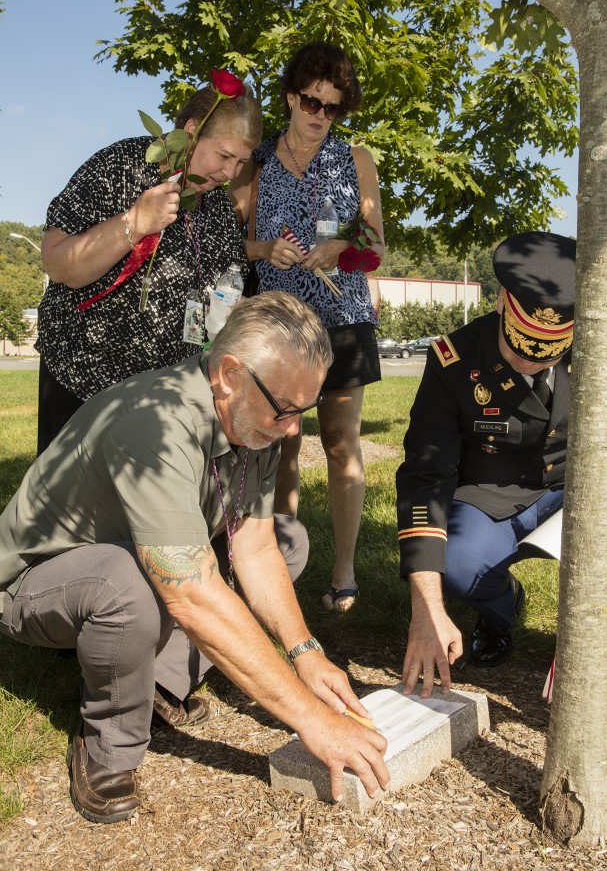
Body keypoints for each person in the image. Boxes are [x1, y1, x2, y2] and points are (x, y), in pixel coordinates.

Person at [0, 293, 390, 824]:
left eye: (305, 410)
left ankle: (157, 682)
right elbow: (190, 593)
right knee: (128, 587)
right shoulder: (154, 423)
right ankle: (108, 746)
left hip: (141, 560)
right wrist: (311, 719)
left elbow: (254, 546)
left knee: (290, 539)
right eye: (286, 410)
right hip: (38, 581)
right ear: (229, 373)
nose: (295, 429)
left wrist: (306, 653)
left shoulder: (256, 415)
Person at [396, 232, 607, 693]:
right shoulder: (454, 358)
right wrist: (425, 609)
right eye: (517, 348)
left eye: (544, 355)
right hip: (493, 495)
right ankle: (501, 606)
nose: (525, 365)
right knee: (460, 566)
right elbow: (425, 476)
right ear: (505, 307)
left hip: (578, 487)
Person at [229, 42, 385, 612]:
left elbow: (376, 246)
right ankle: (280, 563)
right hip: (278, 327)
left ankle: (343, 570)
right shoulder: (256, 162)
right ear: (292, 98)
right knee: (284, 443)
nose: (322, 115)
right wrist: (265, 248)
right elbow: (229, 243)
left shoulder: (356, 159)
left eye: (334, 107)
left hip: (342, 319)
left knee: (342, 441)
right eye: (313, 102)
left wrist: (341, 245)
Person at [36, 74, 262, 454]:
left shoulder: (219, 208)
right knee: (71, 510)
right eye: (224, 156)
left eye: (240, 162)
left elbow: (228, 291)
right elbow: (59, 263)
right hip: (83, 381)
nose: (230, 173)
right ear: (191, 131)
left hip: (162, 401)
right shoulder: (120, 165)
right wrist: (134, 224)